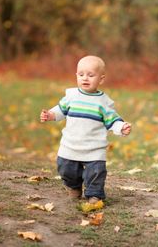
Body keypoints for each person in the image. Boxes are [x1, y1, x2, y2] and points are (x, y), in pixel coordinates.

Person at [40, 55, 131, 204]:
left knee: (95, 173)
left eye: (90, 75)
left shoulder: (103, 102)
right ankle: (74, 187)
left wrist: (121, 127)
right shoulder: (71, 96)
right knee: (65, 168)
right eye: (81, 74)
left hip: (94, 147)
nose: (85, 78)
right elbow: (61, 110)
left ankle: (94, 195)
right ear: (76, 75)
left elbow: (112, 120)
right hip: (70, 144)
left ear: (101, 79)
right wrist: (50, 114)